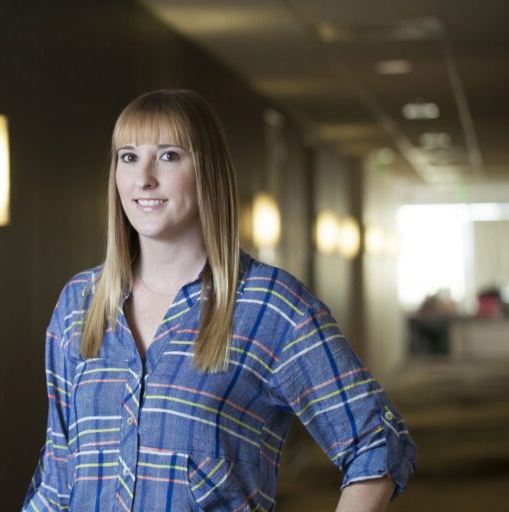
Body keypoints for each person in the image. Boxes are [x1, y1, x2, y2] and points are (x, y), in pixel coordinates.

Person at [22, 89, 417, 511]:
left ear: (207, 171)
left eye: (169, 155)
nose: (144, 178)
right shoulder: (80, 303)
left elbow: (377, 443)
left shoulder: (270, 307)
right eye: (128, 156)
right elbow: (58, 476)